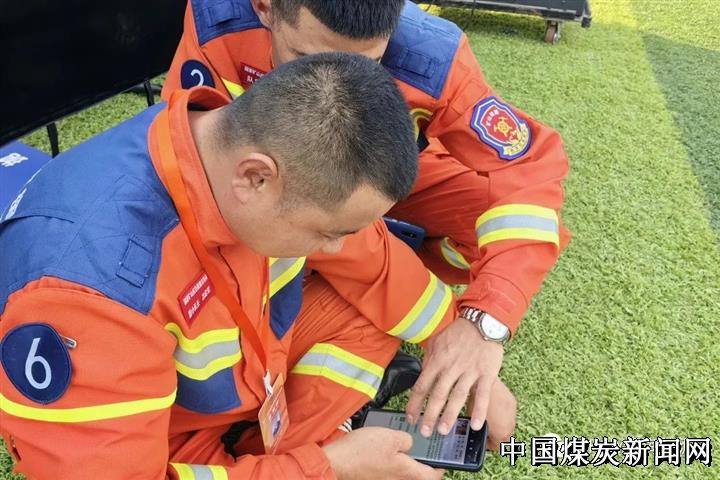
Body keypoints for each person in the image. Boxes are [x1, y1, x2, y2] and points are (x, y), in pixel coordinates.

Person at [0, 53, 452, 480]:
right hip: (165, 434)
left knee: (374, 314)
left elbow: (373, 259)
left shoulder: (235, 147)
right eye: (328, 232)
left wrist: (457, 342)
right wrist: (328, 467)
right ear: (255, 177)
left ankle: (276, 452)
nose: (337, 248)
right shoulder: (89, 289)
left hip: (245, 383)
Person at [162, 0, 571, 448]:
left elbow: (527, 171)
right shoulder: (217, 24)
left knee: (511, 224)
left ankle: (368, 271)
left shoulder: (432, 57)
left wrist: (483, 324)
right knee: (330, 259)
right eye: (304, 58)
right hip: (285, 195)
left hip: (381, 176)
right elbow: (240, 192)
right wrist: (442, 328)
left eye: (367, 63)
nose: (337, 88)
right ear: (265, 7)